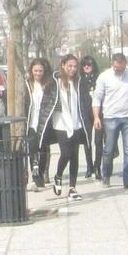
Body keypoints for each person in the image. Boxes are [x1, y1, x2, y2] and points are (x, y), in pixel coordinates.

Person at [91, 53, 128, 189]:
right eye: (116, 68)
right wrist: (96, 117)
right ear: (112, 64)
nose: (118, 70)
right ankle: (106, 175)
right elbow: (97, 98)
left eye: (121, 68)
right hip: (110, 117)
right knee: (108, 149)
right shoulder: (104, 76)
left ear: (125, 64)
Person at [51, 54, 87, 200]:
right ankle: (58, 175)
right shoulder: (56, 82)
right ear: (63, 65)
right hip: (61, 123)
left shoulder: (78, 82)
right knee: (65, 153)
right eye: (69, 66)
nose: (72, 69)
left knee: (75, 156)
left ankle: (72, 188)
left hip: (76, 123)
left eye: (74, 66)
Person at [23, 57, 57, 191]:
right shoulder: (27, 84)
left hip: (44, 123)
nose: (38, 73)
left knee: (43, 150)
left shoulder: (48, 85)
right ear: (31, 71)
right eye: (35, 71)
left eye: (40, 71)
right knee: (32, 149)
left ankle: (41, 174)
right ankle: (35, 174)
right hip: (31, 122)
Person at [78, 55, 103, 180]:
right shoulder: (79, 79)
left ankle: (98, 166)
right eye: (84, 65)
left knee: (98, 141)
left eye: (89, 64)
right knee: (87, 140)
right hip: (85, 113)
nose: (87, 67)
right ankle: (89, 166)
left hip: (99, 113)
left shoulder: (99, 78)